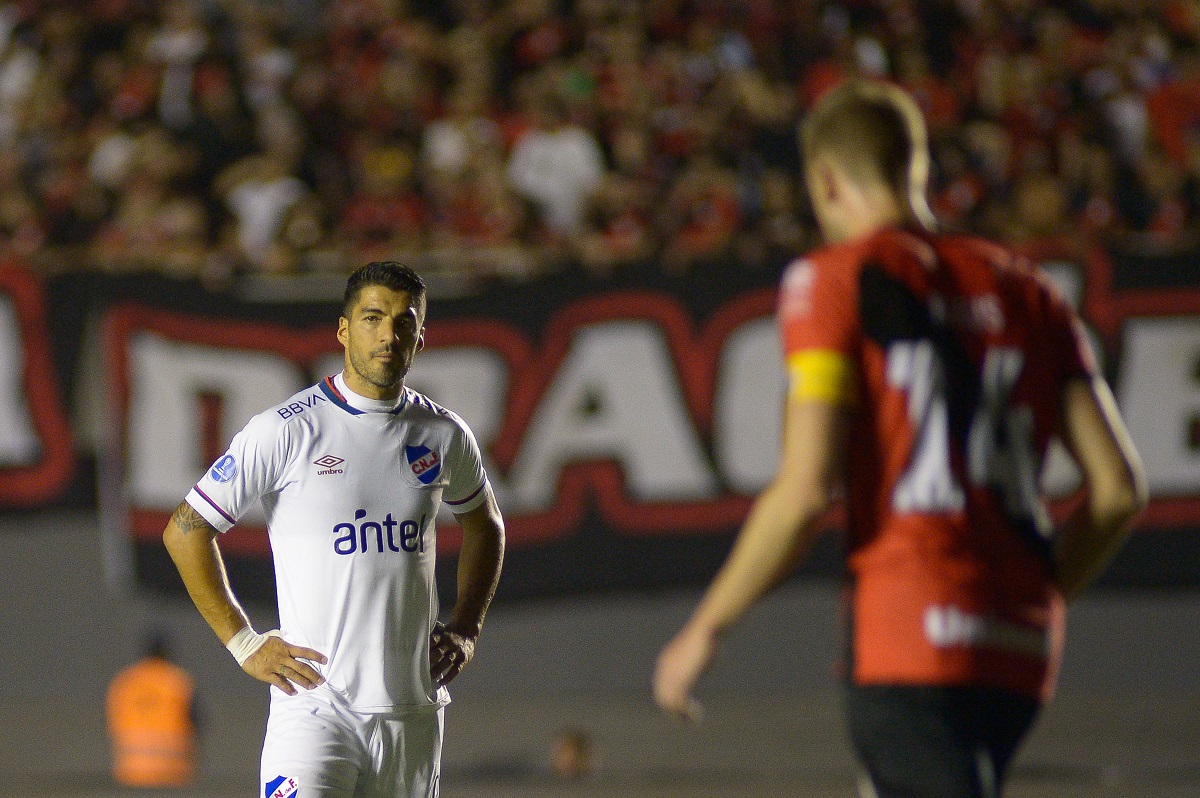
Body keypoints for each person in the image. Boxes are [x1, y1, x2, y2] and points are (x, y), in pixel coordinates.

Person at [654, 80, 1148, 798]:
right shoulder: (1029, 288)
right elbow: (1118, 490)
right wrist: (1042, 595)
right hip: (1019, 648)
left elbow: (804, 490)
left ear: (826, 180)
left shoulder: (835, 280)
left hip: (907, 630)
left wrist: (706, 627)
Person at [163, 261, 505, 798]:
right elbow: (185, 530)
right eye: (372, 318)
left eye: (404, 321)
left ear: (421, 334)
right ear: (343, 330)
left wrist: (466, 627)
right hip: (316, 707)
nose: (388, 335)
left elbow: (487, 527)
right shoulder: (286, 430)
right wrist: (244, 643)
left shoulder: (442, 435)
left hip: (410, 712)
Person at [106, 631, 199, 788]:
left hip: (130, 772)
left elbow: (110, 721)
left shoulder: (124, 682)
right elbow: (196, 723)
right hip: (173, 773)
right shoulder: (178, 682)